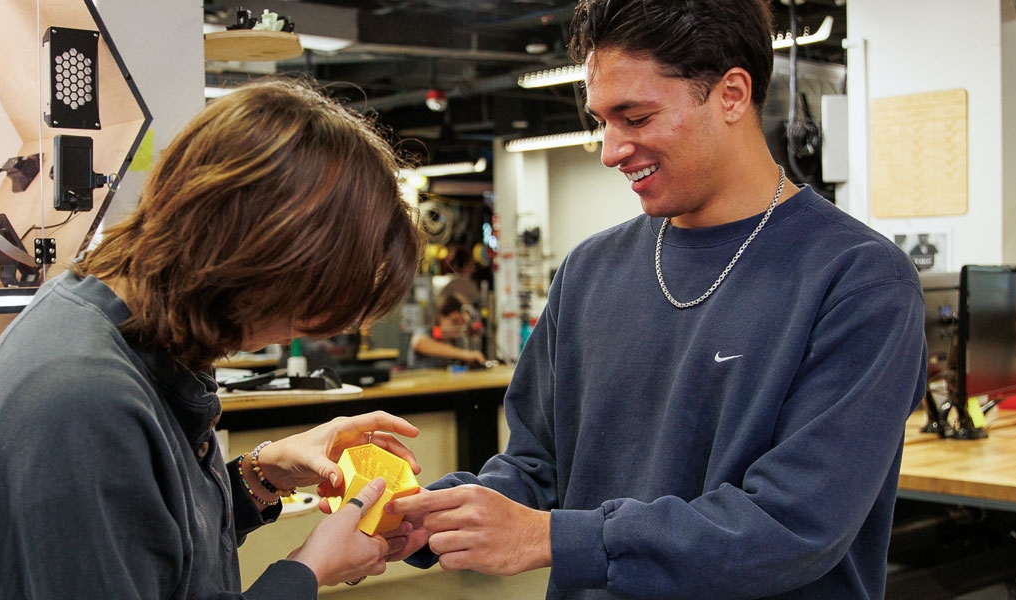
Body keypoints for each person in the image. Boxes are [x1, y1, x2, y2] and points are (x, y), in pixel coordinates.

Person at [383, 1, 927, 598]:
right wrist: (425, 515)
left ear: (731, 94)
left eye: (636, 117)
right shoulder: (588, 272)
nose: (611, 150)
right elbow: (537, 467)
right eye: (602, 121)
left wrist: (550, 538)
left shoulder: (859, 282)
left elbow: (792, 525)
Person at [0, 79, 428, 599]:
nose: (299, 332)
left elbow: (148, 544)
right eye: (307, 309)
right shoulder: (79, 404)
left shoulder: (130, 339)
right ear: (256, 263)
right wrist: (306, 571)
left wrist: (261, 476)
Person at [411, 293, 487, 366]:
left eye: (464, 323)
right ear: (441, 318)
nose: (460, 327)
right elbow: (418, 342)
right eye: (455, 321)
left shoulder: (458, 341)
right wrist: (465, 354)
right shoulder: (427, 333)